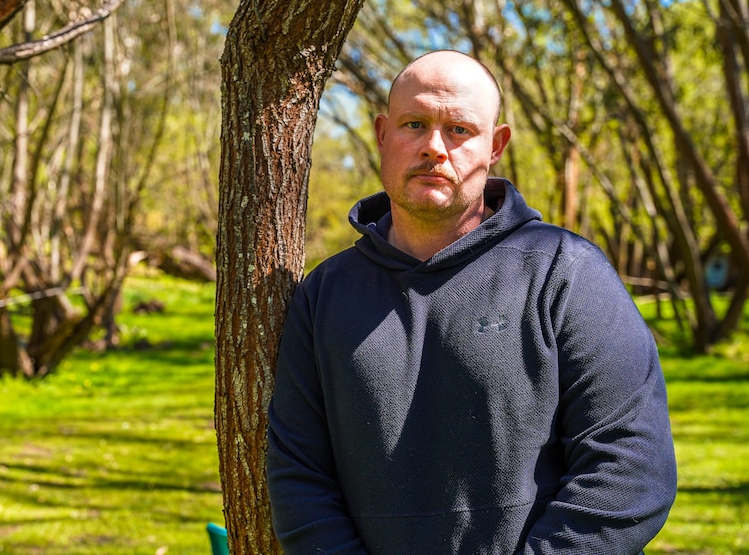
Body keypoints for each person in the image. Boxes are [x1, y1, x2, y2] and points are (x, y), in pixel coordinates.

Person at [266, 50, 677, 554]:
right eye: (413, 124)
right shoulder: (323, 295)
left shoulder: (565, 272)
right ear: (381, 134)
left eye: (459, 129)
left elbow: (632, 465)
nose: (434, 147)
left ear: (496, 145)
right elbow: (299, 478)